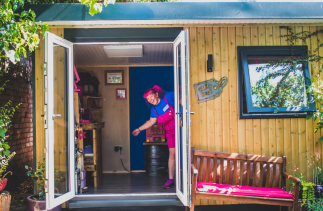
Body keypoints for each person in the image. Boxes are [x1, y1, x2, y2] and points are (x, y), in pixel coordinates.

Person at [132, 85, 176, 189]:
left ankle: (189, 178)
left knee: (187, 152)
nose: (150, 100)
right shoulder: (154, 110)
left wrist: (182, 117)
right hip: (169, 133)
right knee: (172, 155)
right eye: (147, 99)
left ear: (156, 94)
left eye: (151, 96)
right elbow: (151, 122)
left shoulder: (168, 97)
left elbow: (181, 98)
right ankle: (171, 180)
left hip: (180, 130)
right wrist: (139, 129)